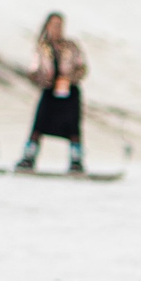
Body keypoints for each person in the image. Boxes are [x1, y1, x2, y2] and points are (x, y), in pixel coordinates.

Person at [16, 13, 89, 173]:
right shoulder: (42, 48)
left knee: (73, 127)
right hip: (49, 92)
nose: (58, 29)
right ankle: (29, 157)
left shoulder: (71, 46)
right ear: (48, 26)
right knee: (39, 124)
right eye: (55, 25)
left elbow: (82, 67)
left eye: (60, 25)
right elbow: (33, 70)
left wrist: (70, 78)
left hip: (69, 92)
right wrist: (43, 79)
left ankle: (76, 161)